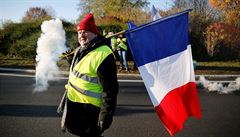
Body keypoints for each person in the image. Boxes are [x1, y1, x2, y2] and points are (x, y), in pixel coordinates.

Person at [58, 13, 119, 137]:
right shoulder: (81, 50)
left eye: (85, 32)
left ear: (94, 34)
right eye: (79, 32)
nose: (81, 35)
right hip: (76, 107)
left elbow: (110, 90)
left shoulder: (103, 55)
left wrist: (105, 116)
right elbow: (83, 72)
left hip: (90, 111)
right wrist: (71, 60)